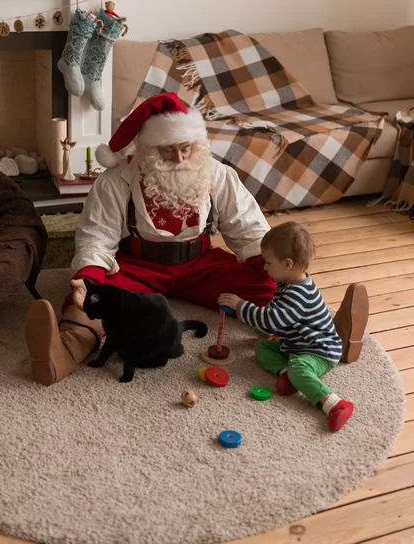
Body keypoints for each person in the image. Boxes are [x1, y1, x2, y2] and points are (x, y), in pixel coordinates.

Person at [25, 92, 365, 388]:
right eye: (168, 149)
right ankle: (62, 353)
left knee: (268, 289)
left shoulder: (217, 173)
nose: (180, 158)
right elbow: (97, 235)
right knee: (94, 300)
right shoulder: (115, 180)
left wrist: (272, 269)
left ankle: (327, 334)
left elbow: (247, 226)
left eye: (186, 147)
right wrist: (89, 280)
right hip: (138, 267)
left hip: (201, 265)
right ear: (147, 148)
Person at [218, 221, 369, 432]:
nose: (264, 267)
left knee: (300, 368)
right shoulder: (286, 283)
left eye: (268, 263)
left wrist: (241, 305)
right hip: (295, 343)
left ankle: (333, 403)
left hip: (319, 350)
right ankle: (286, 374)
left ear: (287, 264)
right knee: (262, 349)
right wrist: (264, 335)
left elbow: (271, 319)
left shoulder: (299, 294)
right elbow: (274, 313)